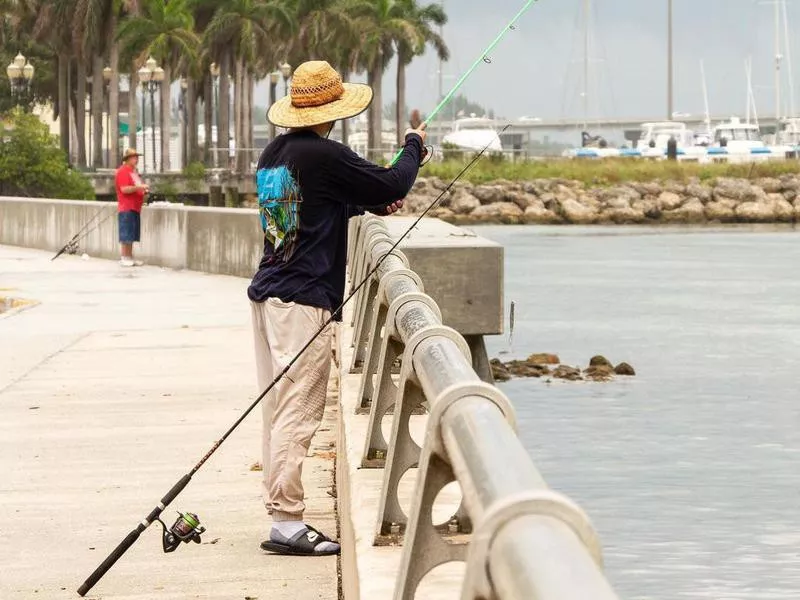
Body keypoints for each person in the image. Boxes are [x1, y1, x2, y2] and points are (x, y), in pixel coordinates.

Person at [249, 60, 426, 556]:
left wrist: (362, 204)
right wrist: (415, 145)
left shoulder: (275, 153)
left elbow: (303, 216)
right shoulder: (324, 154)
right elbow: (394, 183)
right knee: (300, 408)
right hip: (303, 300)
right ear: (331, 109)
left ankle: (279, 509)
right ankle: (285, 522)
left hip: (270, 294)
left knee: (278, 408)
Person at [114, 148, 149, 267]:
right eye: (134, 157)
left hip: (135, 207)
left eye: (137, 157)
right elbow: (124, 189)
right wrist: (139, 187)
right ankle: (124, 257)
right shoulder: (122, 171)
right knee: (126, 233)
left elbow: (136, 187)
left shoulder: (133, 173)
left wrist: (143, 191)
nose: (137, 159)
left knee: (132, 234)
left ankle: (130, 257)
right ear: (128, 159)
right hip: (126, 207)